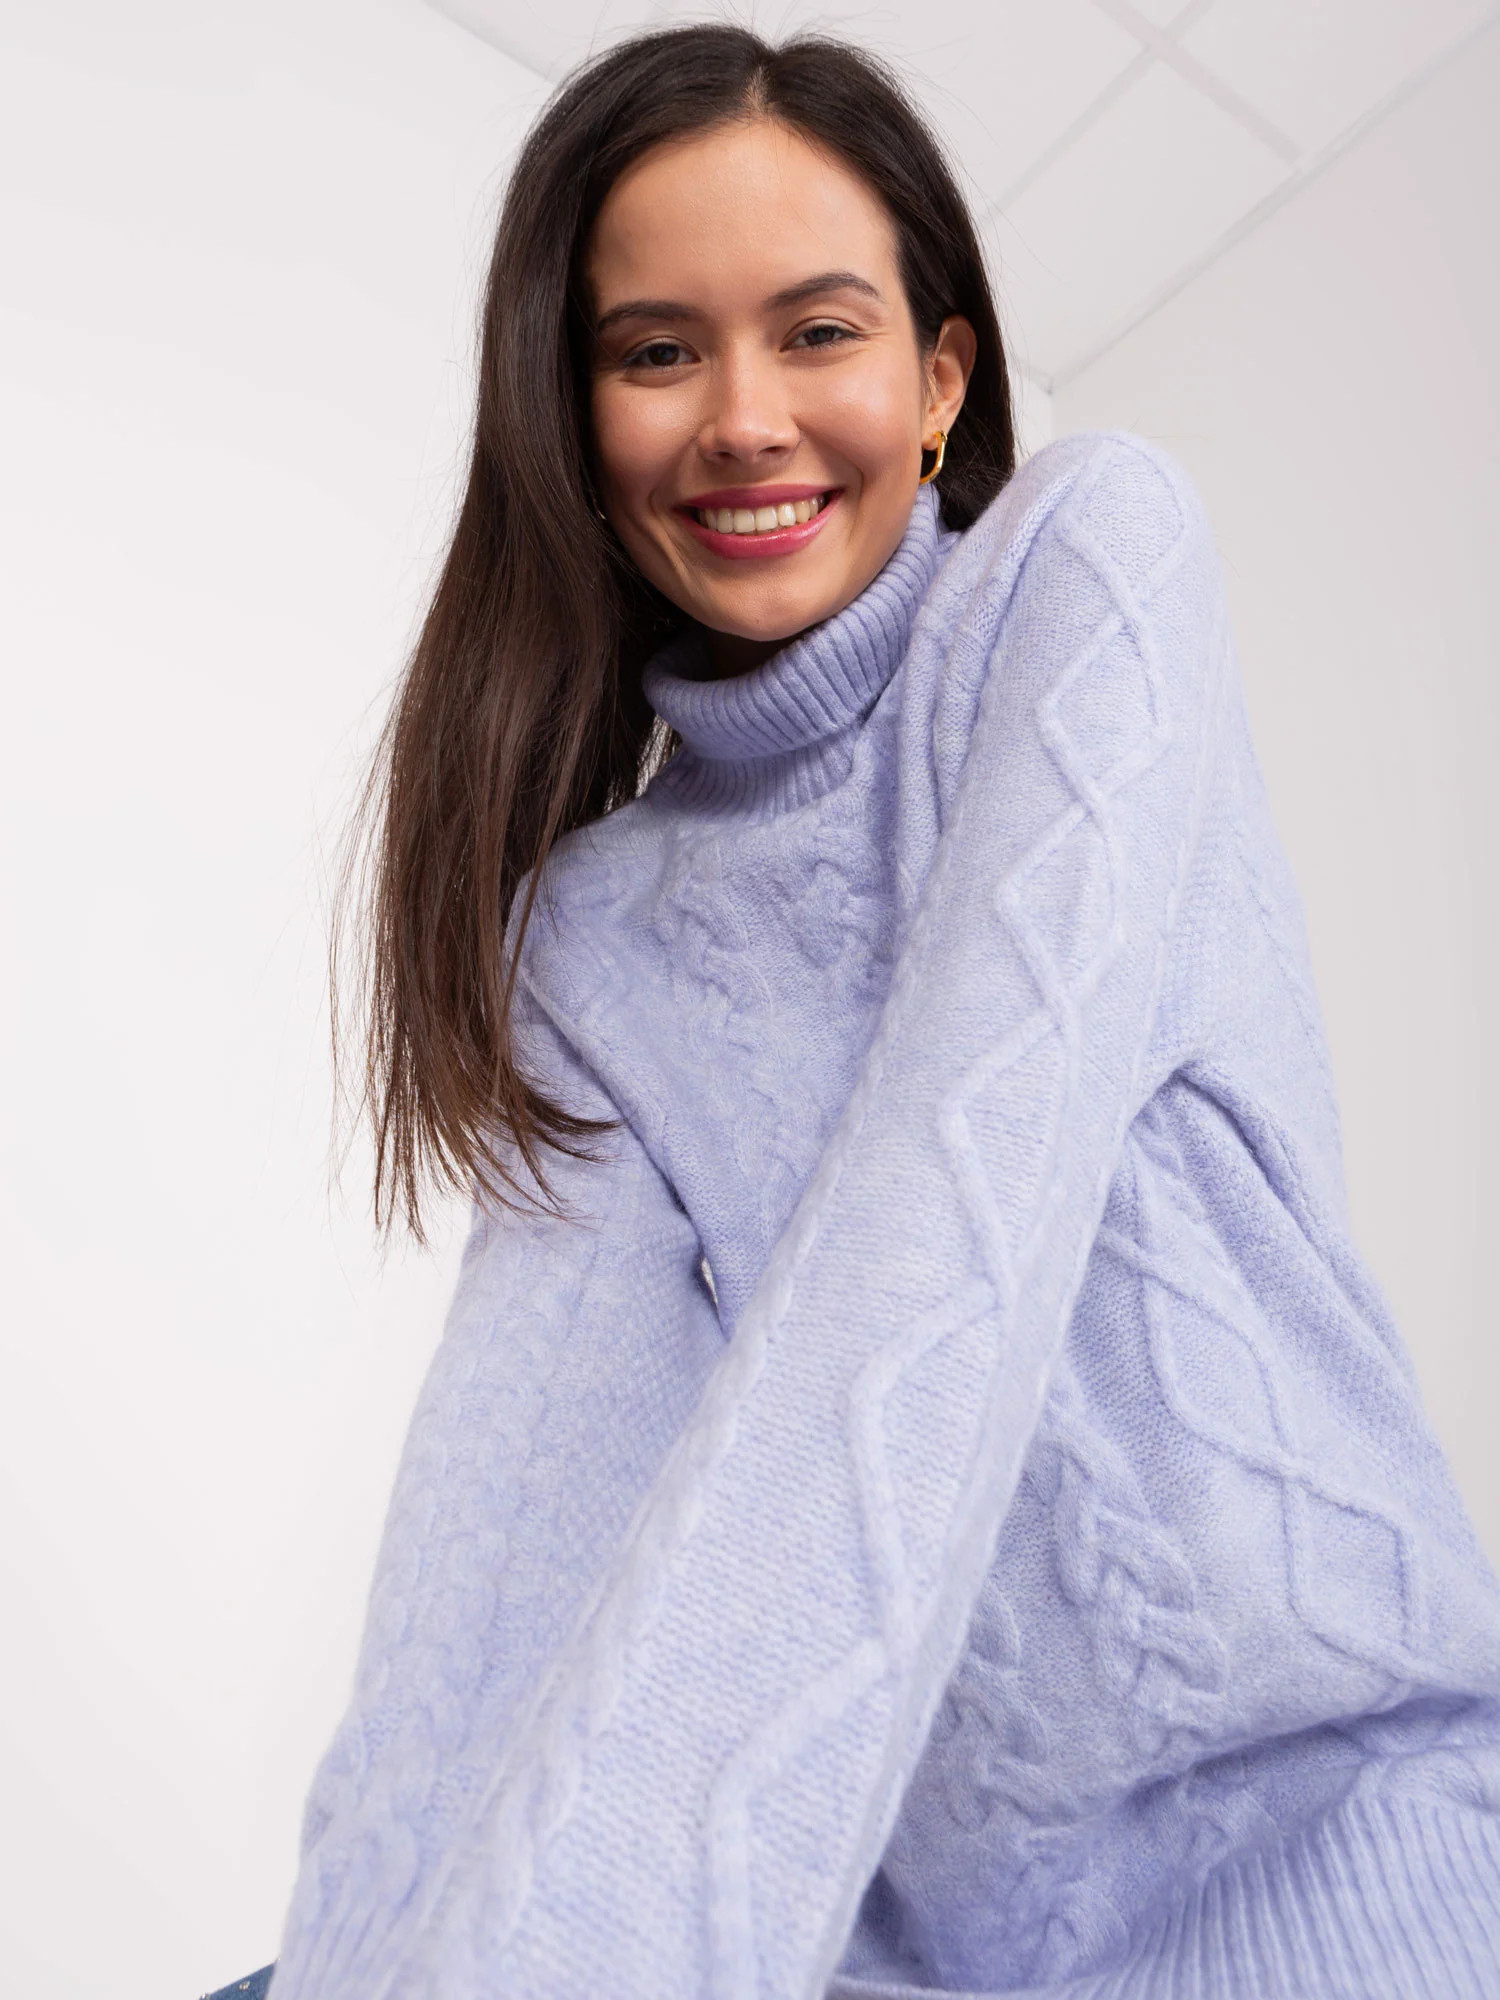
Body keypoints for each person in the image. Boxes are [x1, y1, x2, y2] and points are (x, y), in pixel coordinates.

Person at [234, 23, 1500, 2000]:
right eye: (656, 352)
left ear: (941, 382)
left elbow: (932, 1269)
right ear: (575, 419)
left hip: (1334, 1863)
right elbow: (490, 1564)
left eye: (818, 331)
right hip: (894, 1950)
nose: (742, 419)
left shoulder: (1085, 571)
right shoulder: (590, 932)